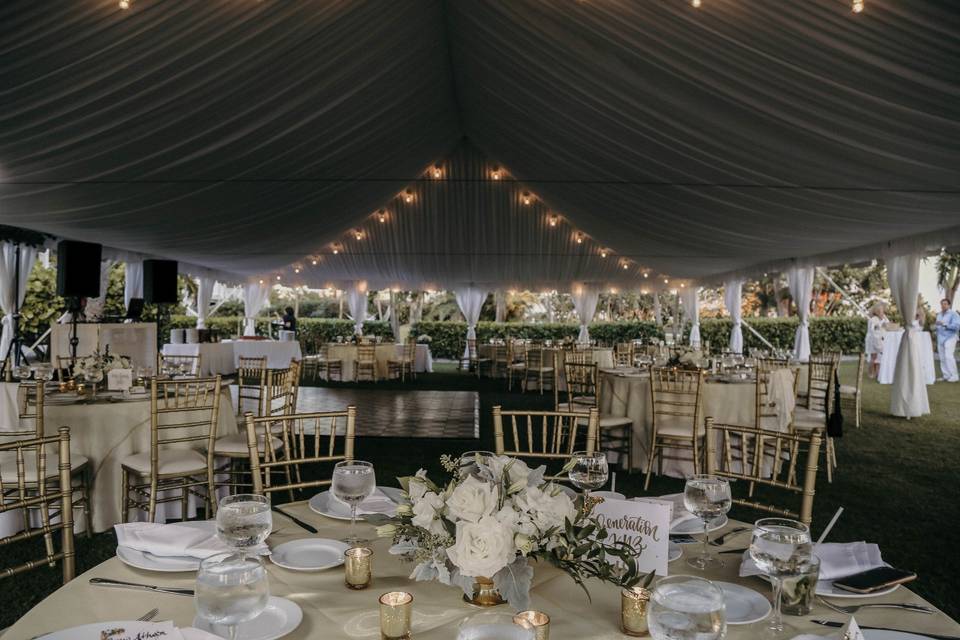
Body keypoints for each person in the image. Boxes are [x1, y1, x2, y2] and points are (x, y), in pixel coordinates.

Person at [935, 298, 960, 382]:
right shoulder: (939, 314)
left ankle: (955, 376)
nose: (943, 305)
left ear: (949, 305)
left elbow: (957, 326)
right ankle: (946, 375)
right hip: (940, 338)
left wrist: (944, 324)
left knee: (948, 356)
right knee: (942, 358)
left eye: (945, 304)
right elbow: (938, 326)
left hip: (950, 337)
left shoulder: (954, 314)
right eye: (942, 304)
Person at [865, 303, 886, 379]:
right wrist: (880, 327)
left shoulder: (879, 319)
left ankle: (877, 373)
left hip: (877, 339)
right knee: (873, 357)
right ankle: (870, 373)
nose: (883, 313)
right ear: (877, 312)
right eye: (882, 312)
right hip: (873, 340)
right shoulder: (873, 320)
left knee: (877, 357)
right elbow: (873, 330)